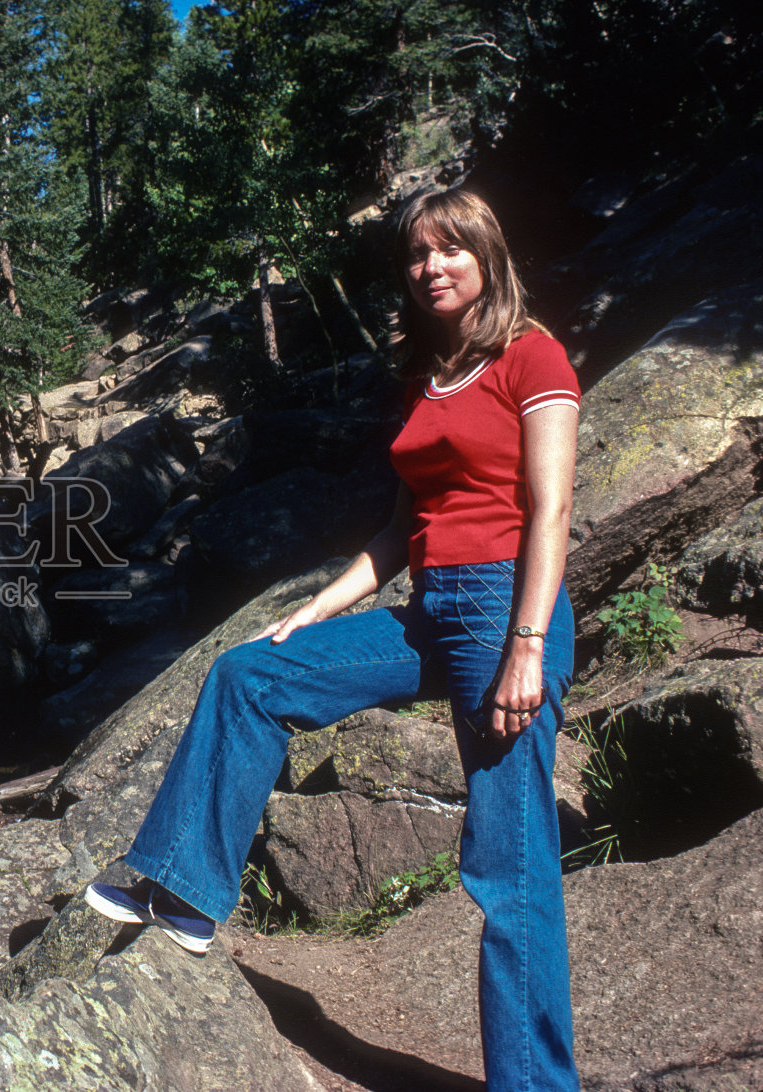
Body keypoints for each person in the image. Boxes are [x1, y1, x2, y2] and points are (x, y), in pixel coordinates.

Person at [85, 188, 582, 1092]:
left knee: (510, 870)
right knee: (250, 674)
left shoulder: (532, 355)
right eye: (418, 253)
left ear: (488, 256)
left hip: (505, 609)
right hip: (433, 611)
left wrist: (527, 645)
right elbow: (399, 533)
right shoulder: (427, 378)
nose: (432, 266)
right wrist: (318, 607)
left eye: (451, 249)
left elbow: (550, 509)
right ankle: (185, 893)